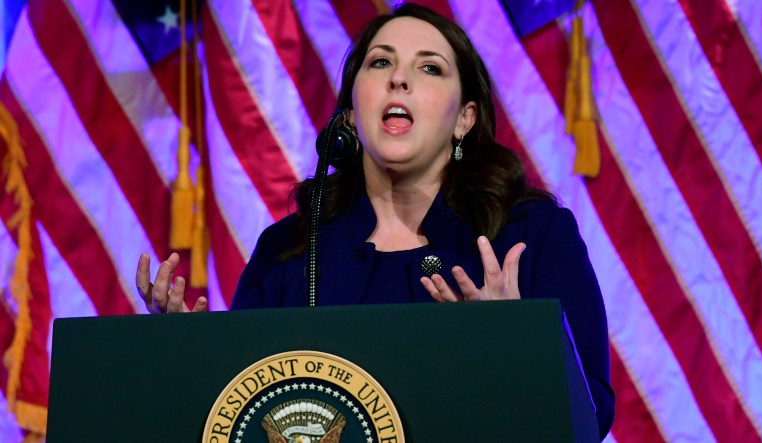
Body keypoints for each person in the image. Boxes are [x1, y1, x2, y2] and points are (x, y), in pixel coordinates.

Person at [136, 3, 614, 437]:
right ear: (348, 114)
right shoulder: (290, 249)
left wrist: (521, 344)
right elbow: (245, 417)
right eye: (381, 62)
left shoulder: (529, 234)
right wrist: (193, 361)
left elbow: (590, 418)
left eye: (429, 68)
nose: (399, 79)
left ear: (464, 118)